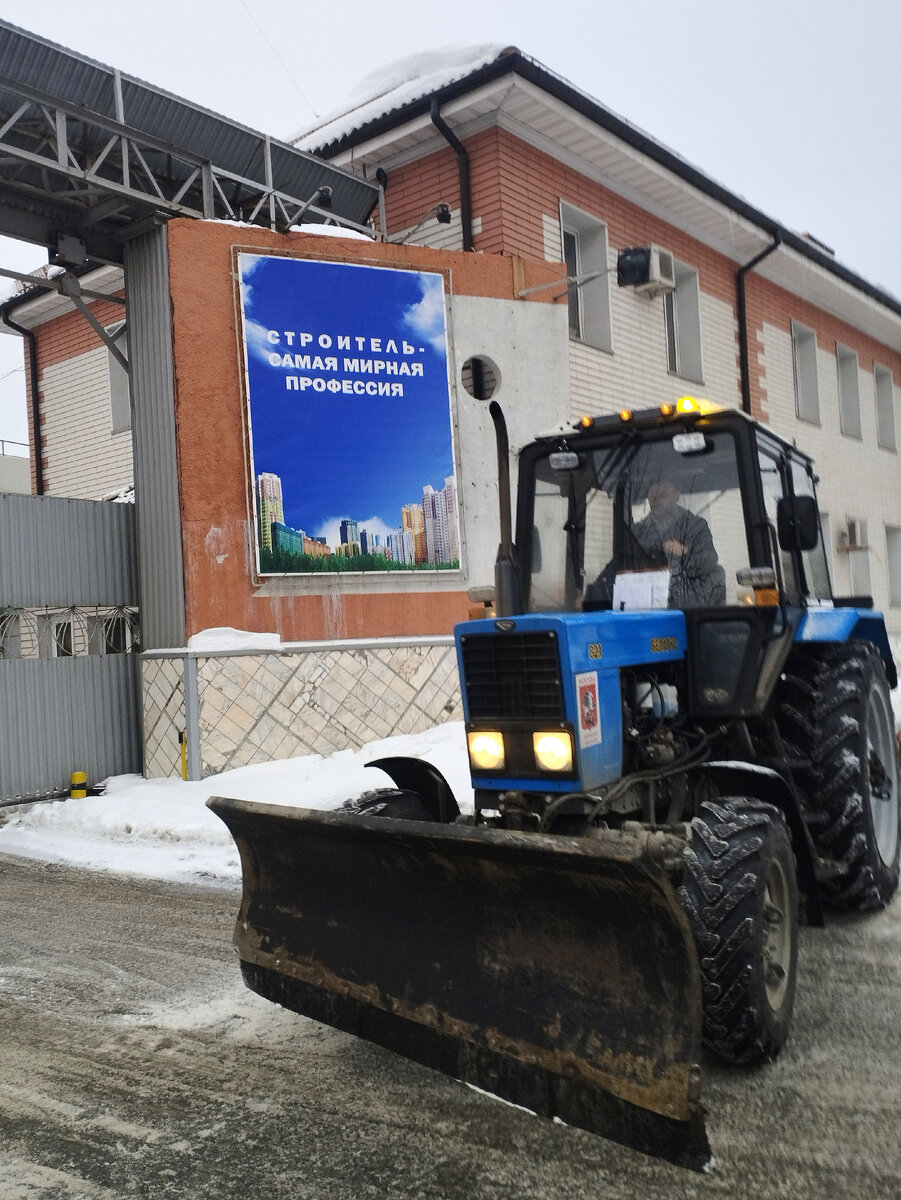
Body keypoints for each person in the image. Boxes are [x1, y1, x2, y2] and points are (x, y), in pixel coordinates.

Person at [631, 479, 725, 607]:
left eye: (663, 495)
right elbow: (623, 568)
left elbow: (709, 562)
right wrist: (658, 548)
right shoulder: (637, 532)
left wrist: (684, 552)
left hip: (692, 608)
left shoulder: (696, 526)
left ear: (677, 496)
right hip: (647, 607)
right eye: (653, 496)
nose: (657, 500)